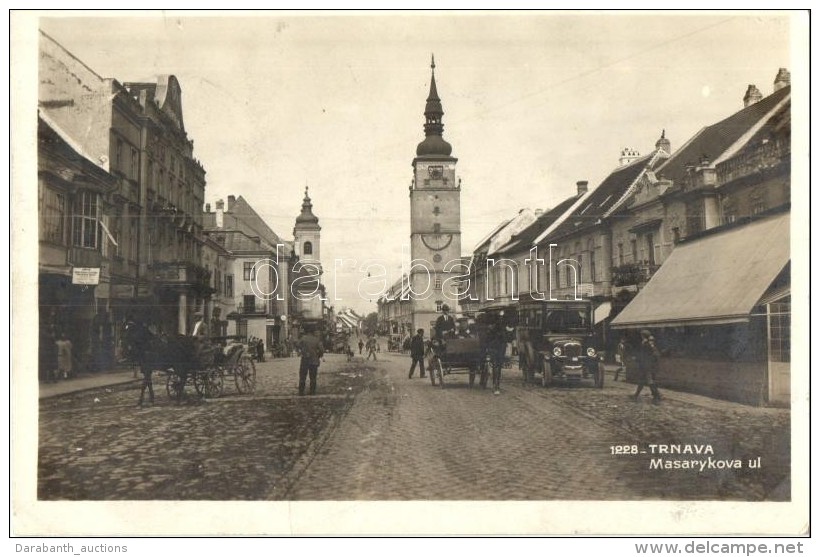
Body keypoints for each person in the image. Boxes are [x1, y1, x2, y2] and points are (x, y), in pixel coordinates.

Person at [632, 329, 662, 404]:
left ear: (643, 336)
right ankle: (636, 394)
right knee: (642, 380)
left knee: (649, 381)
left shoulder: (647, 344)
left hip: (646, 365)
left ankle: (657, 396)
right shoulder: (645, 343)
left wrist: (637, 358)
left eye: (641, 335)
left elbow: (646, 355)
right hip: (645, 365)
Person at [298, 327, 324, 395]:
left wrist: (303, 350)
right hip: (314, 360)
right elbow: (321, 349)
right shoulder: (317, 339)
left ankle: (301, 391)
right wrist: (318, 355)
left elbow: (298, 345)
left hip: (305, 360)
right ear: (313, 332)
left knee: (302, 376)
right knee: (313, 377)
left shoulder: (303, 338)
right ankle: (312, 391)